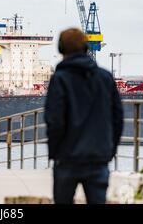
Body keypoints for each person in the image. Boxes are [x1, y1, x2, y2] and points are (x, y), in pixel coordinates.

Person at [44, 28, 124, 204]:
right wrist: (109, 151)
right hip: (98, 158)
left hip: (67, 158)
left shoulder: (59, 79)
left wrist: (55, 153)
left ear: (61, 49)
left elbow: (54, 121)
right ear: (86, 48)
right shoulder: (105, 78)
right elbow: (118, 118)